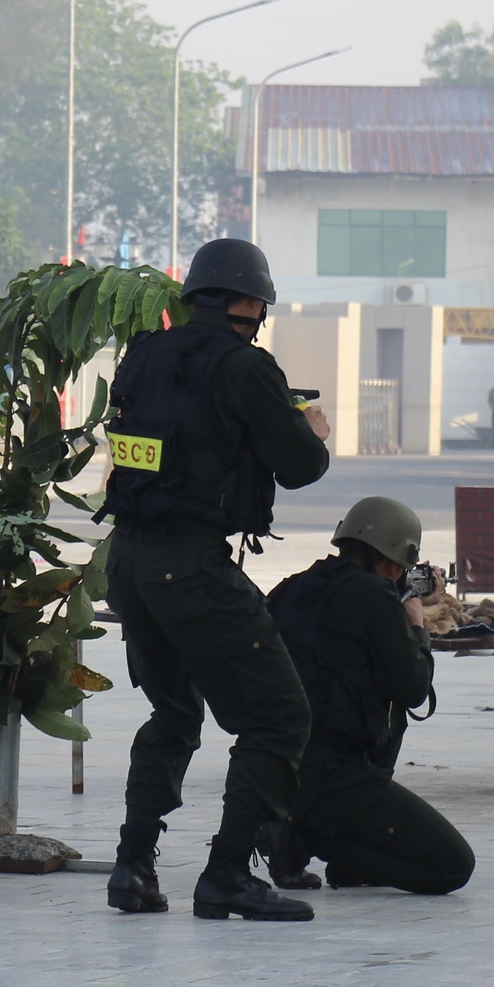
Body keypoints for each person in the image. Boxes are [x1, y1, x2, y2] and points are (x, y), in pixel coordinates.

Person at [101, 237, 333, 923]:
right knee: (280, 714)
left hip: (129, 562)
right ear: (250, 302)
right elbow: (298, 467)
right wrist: (310, 429)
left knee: (173, 713)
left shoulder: (143, 353)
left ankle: (131, 867)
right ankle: (228, 872)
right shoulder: (246, 367)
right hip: (190, 564)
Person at [262, 497, 475, 896]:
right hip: (332, 775)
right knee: (451, 866)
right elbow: (412, 689)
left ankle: (336, 852)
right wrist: (414, 623)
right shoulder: (376, 599)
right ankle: (303, 839)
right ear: (395, 564)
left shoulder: (293, 587)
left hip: (276, 768)